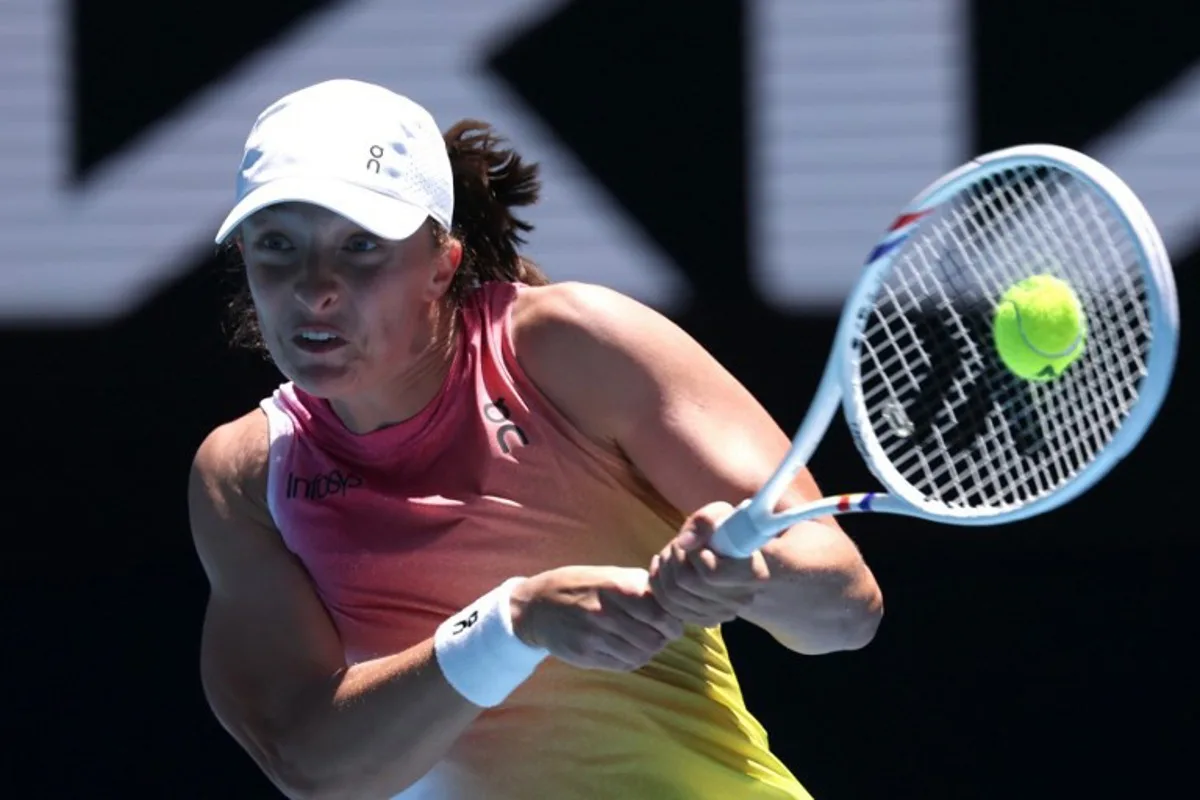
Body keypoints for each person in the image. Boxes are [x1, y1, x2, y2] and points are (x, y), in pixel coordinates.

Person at [189, 78, 883, 800]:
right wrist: (513, 624)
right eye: (277, 244)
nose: (313, 288)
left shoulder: (570, 348)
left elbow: (845, 611)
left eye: (360, 245)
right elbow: (313, 766)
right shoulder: (244, 474)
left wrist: (754, 579)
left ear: (441, 265)